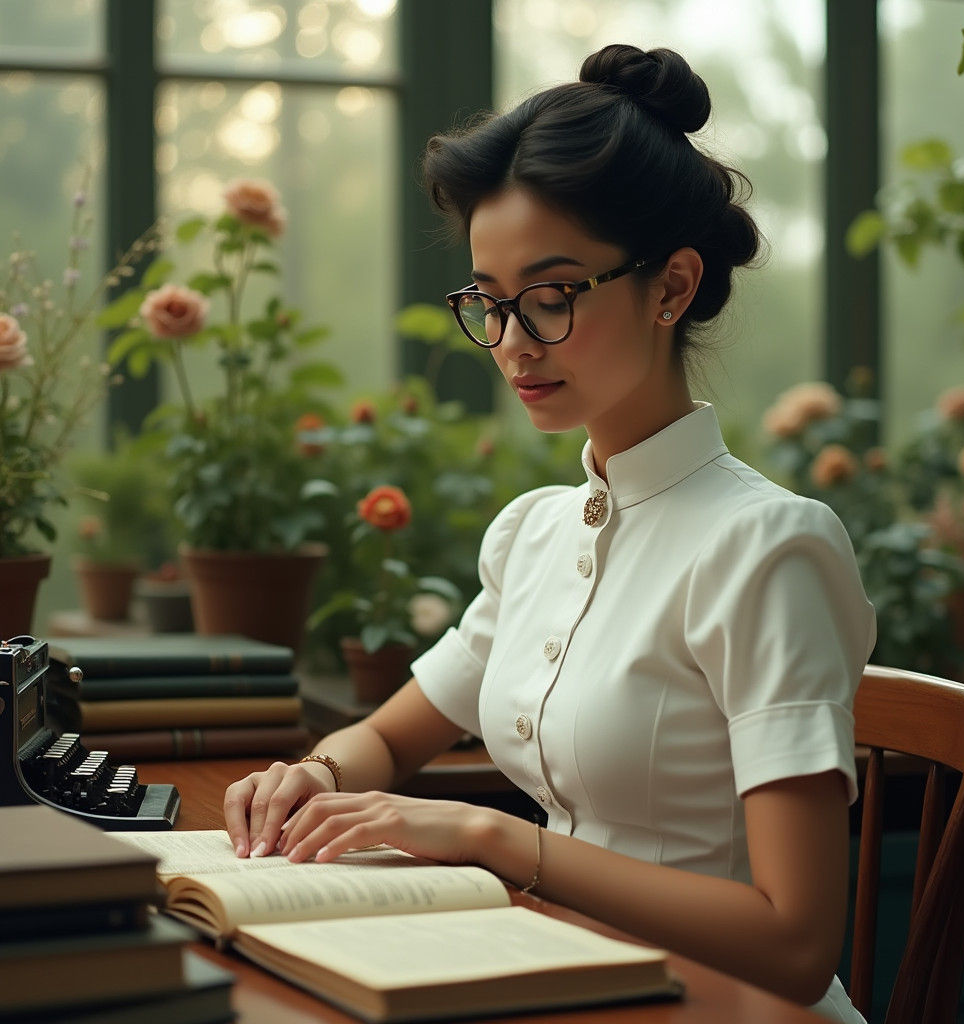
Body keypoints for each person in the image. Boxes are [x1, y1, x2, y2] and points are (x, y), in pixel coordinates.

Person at [224, 44, 875, 1024]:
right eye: (487, 300)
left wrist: (494, 839)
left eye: (554, 293)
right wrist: (310, 776)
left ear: (670, 287)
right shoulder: (534, 533)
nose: (515, 340)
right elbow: (392, 735)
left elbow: (792, 944)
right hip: (573, 979)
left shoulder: (768, 550)